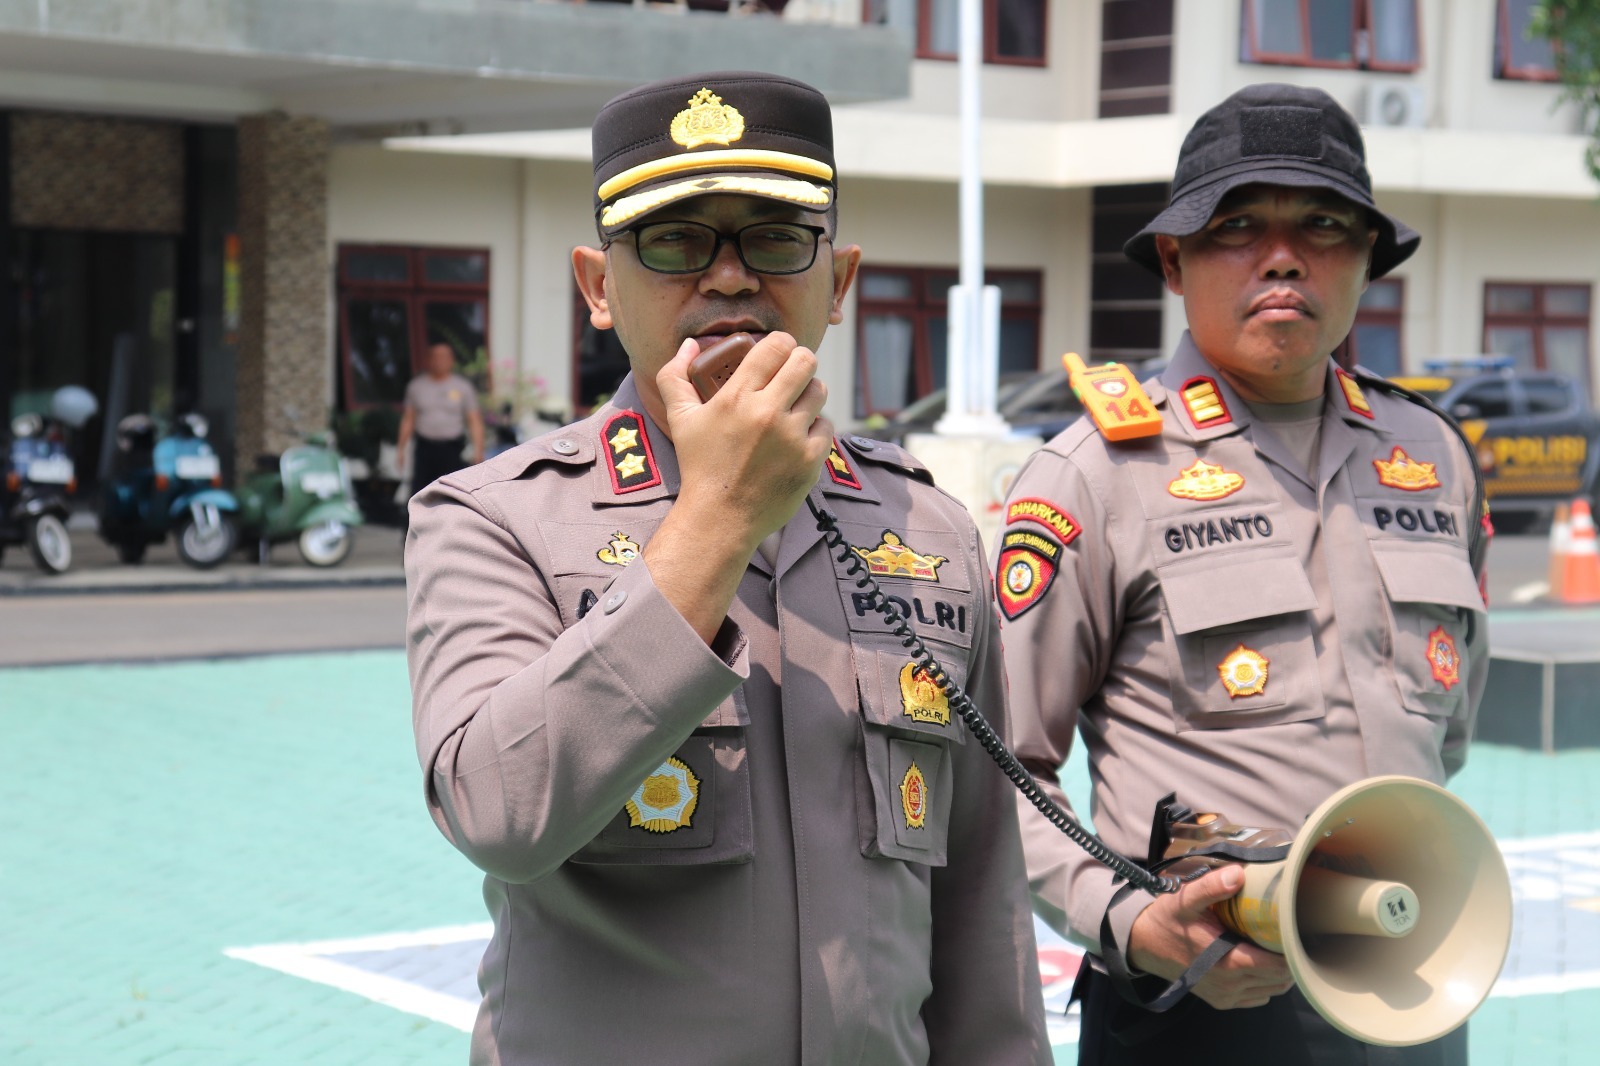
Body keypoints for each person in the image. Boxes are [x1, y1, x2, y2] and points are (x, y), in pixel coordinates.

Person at [406, 71, 1051, 1065]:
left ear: (837, 284)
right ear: (595, 286)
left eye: (775, 237)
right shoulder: (494, 519)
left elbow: (979, 905)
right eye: (674, 239)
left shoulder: (930, 529)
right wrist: (715, 521)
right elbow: (498, 812)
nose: (730, 277)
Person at [995, 84, 1488, 1065]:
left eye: (1322, 223)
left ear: (1365, 260)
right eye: (1236, 226)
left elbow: (1450, 732)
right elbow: (997, 769)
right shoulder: (1095, 473)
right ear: (1173, 260)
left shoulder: (1431, 454)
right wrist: (1132, 921)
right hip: (1191, 1008)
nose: (1281, 254)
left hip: (1413, 980)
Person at [396, 341, 485, 497]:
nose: (439, 360)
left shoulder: (462, 387)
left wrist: (478, 450)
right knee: (420, 493)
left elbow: (474, 420)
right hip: (424, 447)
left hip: (452, 448)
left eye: (443, 357)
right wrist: (401, 449)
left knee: (451, 493)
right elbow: (408, 419)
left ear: (452, 361)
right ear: (428, 360)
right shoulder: (416, 387)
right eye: (435, 357)